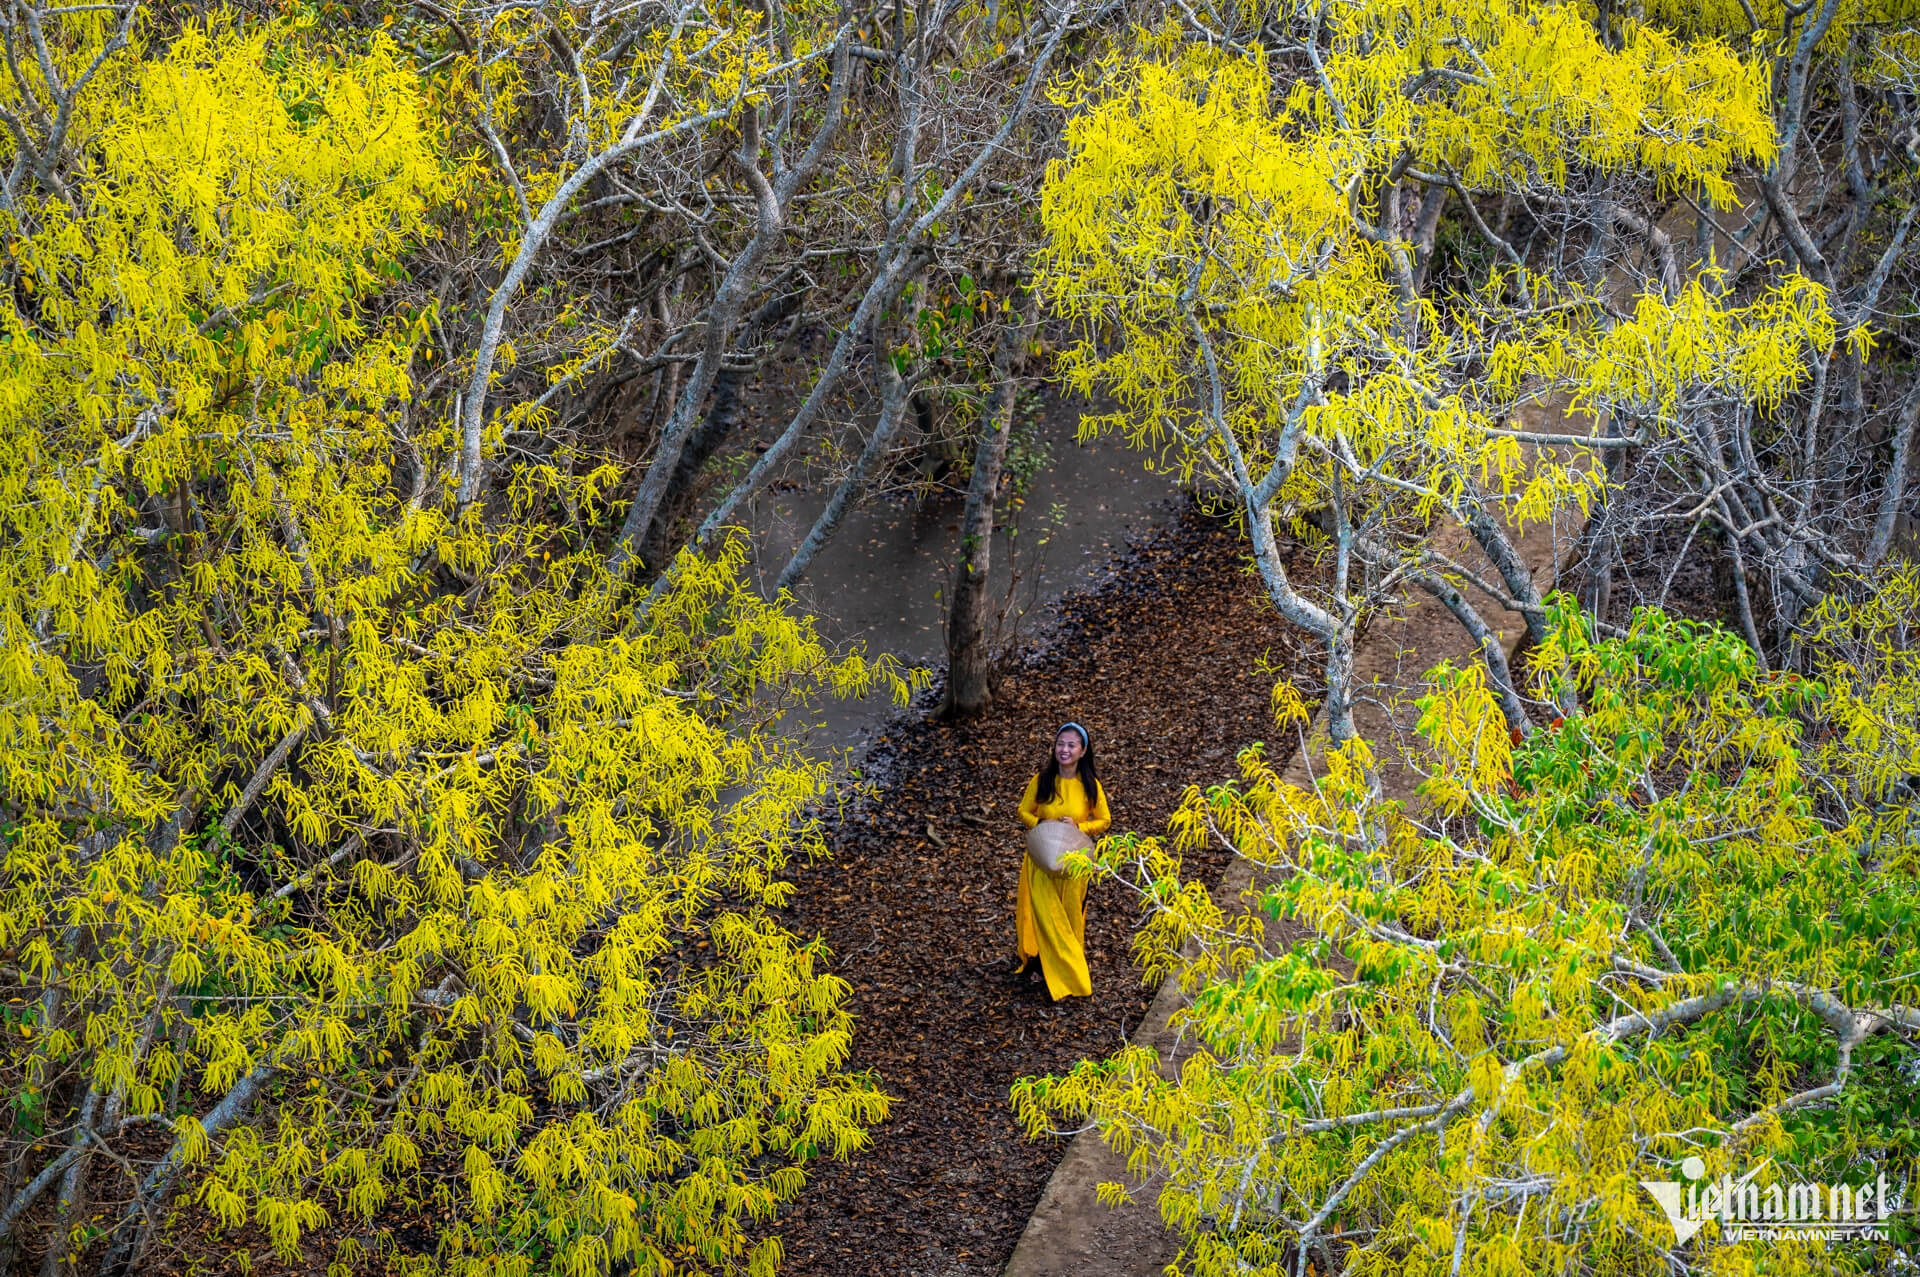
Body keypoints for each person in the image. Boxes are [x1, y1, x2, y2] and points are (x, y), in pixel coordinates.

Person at [1013, 721, 1111, 1001]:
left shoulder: (1090, 786)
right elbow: (1023, 811)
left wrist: (1080, 827)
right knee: (1044, 915)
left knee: (1068, 916)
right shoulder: (1042, 780)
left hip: (1074, 864)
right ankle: (1041, 965)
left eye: (1071, 745)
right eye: (1060, 744)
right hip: (1041, 859)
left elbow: (1104, 820)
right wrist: (1043, 821)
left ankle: (1069, 971)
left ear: (1082, 751)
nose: (1064, 750)